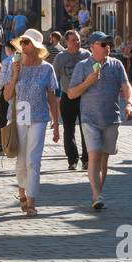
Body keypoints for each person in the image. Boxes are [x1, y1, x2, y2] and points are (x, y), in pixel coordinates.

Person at [65, 31, 132, 210]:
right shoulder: (82, 66)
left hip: (111, 118)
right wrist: (88, 81)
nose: (107, 47)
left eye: (108, 44)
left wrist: (129, 104)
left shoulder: (116, 65)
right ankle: (96, 195)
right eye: (103, 44)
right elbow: (71, 94)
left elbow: (127, 87)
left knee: (104, 159)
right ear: (92, 47)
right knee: (94, 155)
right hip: (89, 119)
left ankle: (98, 193)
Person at [1, 29, 60, 216]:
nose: (23, 46)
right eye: (22, 42)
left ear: (36, 46)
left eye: (27, 43)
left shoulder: (47, 68)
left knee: (33, 161)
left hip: (39, 116)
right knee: (21, 160)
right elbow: (7, 95)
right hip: (20, 115)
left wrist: (56, 123)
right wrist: (15, 75)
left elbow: (52, 98)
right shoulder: (13, 65)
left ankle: (32, 201)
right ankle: (22, 193)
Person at [52, 29, 90, 171]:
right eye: (74, 40)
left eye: (78, 39)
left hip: (85, 97)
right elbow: (54, 77)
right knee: (68, 129)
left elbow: (95, 72)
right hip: (67, 96)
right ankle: (72, 160)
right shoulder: (61, 57)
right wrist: (54, 97)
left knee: (86, 129)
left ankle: (86, 159)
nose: (77, 42)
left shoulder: (86, 55)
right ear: (66, 42)